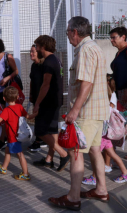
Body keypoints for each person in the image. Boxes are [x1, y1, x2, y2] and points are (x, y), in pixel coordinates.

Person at [49, 16, 110, 211]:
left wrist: (74, 110)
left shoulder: (84, 50)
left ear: (75, 32)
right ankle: (101, 189)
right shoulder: (95, 48)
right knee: (94, 150)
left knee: (75, 152)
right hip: (98, 110)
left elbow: (86, 83)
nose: (67, 35)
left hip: (86, 112)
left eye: (67, 31)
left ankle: (73, 197)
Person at [32, 36, 70, 172]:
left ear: (42, 46)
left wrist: (37, 104)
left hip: (49, 101)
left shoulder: (48, 62)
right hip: (57, 100)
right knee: (52, 130)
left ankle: (64, 154)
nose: (35, 48)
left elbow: (45, 85)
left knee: (40, 131)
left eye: (36, 46)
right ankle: (49, 159)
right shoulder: (56, 60)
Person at [82, 81, 127, 185]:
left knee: (97, 156)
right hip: (107, 135)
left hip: (102, 135)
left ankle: (94, 177)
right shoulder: (110, 103)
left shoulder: (103, 106)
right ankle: (125, 172)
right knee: (113, 154)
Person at [0, 86, 33, 181]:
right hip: (19, 134)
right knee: (7, 151)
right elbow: (28, 116)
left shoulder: (6, 110)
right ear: (17, 98)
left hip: (13, 137)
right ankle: (3, 168)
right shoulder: (20, 107)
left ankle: (25, 173)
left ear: (4, 99)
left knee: (20, 154)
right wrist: (35, 113)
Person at [27, 44, 47, 152]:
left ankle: (39, 141)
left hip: (43, 98)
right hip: (35, 97)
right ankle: (40, 139)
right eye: (30, 51)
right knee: (37, 118)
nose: (31, 53)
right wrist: (30, 94)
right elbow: (31, 81)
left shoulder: (43, 66)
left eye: (33, 51)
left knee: (40, 119)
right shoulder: (33, 66)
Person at [109, 27, 127, 111]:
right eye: (111, 38)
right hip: (119, 93)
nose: (111, 40)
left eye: (114, 37)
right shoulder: (119, 53)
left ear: (123, 37)